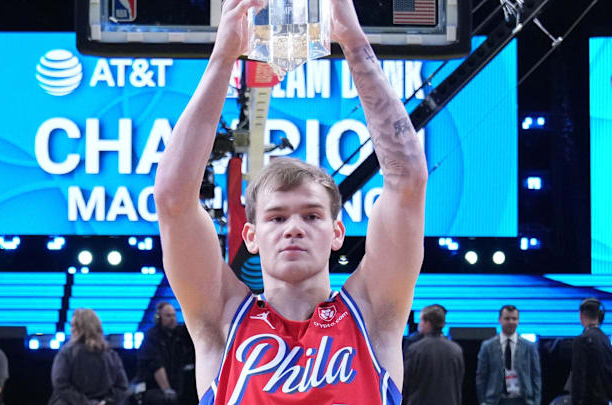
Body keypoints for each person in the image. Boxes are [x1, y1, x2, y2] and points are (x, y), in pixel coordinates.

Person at [153, 0, 428, 402]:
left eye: (312, 215)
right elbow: (173, 200)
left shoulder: (372, 317)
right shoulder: (223, 321)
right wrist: (223, 56)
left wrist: (353, 42)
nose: (294, 227)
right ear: (251, 235)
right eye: (277, 217)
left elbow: (408, 181)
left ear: (337, 232)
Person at [49, 309, 128, 405]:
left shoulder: (67, 353)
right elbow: (122, 387)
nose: (71, 329)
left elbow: (60, 384)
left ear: (82, 328)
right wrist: (105, 402)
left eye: (74, 325)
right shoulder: (111, 355)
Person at [476, 305, 541, 405]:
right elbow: (481, 376)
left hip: (523, 400)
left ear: (518, 321)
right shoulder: (488, 346)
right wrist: (483, 402)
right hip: (495, 400)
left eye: (514, 319)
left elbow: (536, 376)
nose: (511, 322)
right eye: (507, 318)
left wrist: (536, 402)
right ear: (500, 320)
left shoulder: (529, 347)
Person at [402, 305, 464, 405]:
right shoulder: (456, 350)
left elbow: (407, 382)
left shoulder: (415, 349)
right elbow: (459, 381)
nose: (419, 324)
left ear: (427, 323)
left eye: (421, 320)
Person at [135, 302, 195, 405]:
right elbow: (156, 366)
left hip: (176, 386)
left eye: (174, 315)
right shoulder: (151, 336)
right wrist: (167, 390)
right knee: (167, 400)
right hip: (153, 388)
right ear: (158, 318)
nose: (172, 319)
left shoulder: (179, 334)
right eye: (168, 315)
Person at [568, 297, 612, 405]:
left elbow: (579, 377)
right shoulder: (605, 339)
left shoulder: (581, 340)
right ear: (600, 317)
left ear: (581, 315)